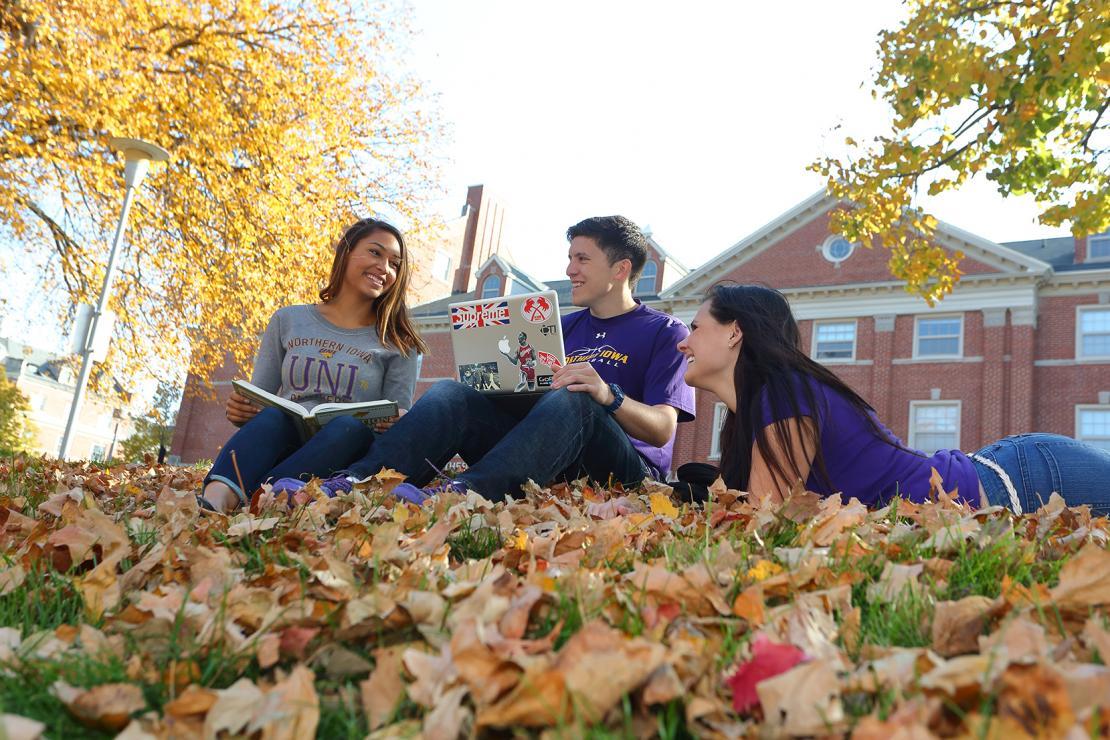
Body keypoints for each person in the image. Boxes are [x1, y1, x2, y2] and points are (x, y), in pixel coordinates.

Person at [343, 215, 696, 503]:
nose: (570, 269)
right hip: (548, 455)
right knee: (453, 393)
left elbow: (662, 430)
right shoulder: (556, 326)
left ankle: (466, 494)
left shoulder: (667, 331)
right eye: (570, 257)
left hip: (625, 472)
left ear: (620, 269)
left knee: (577, 396)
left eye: (582, 259)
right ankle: (360, 482)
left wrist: (607, 394)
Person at [676, 283, 1110, 515]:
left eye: (695, 328)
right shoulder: (757, 412)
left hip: (1024, 479)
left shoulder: (786, 392)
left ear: (734, 332)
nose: (683, 343)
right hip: (998, 469)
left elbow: (765, 519)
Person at [198, 218, 426, 513]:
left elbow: (392, 425)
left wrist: (397, 421)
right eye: (375, 253)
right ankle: (216, 499)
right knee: (272, 419)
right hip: (283, 439)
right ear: (345, 252)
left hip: (341, 452)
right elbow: (259, 398)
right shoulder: (288, 320)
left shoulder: (398, 342)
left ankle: (265, 497)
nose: (385, 268)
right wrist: (241, 411)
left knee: (349, 428)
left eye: (395, 264)